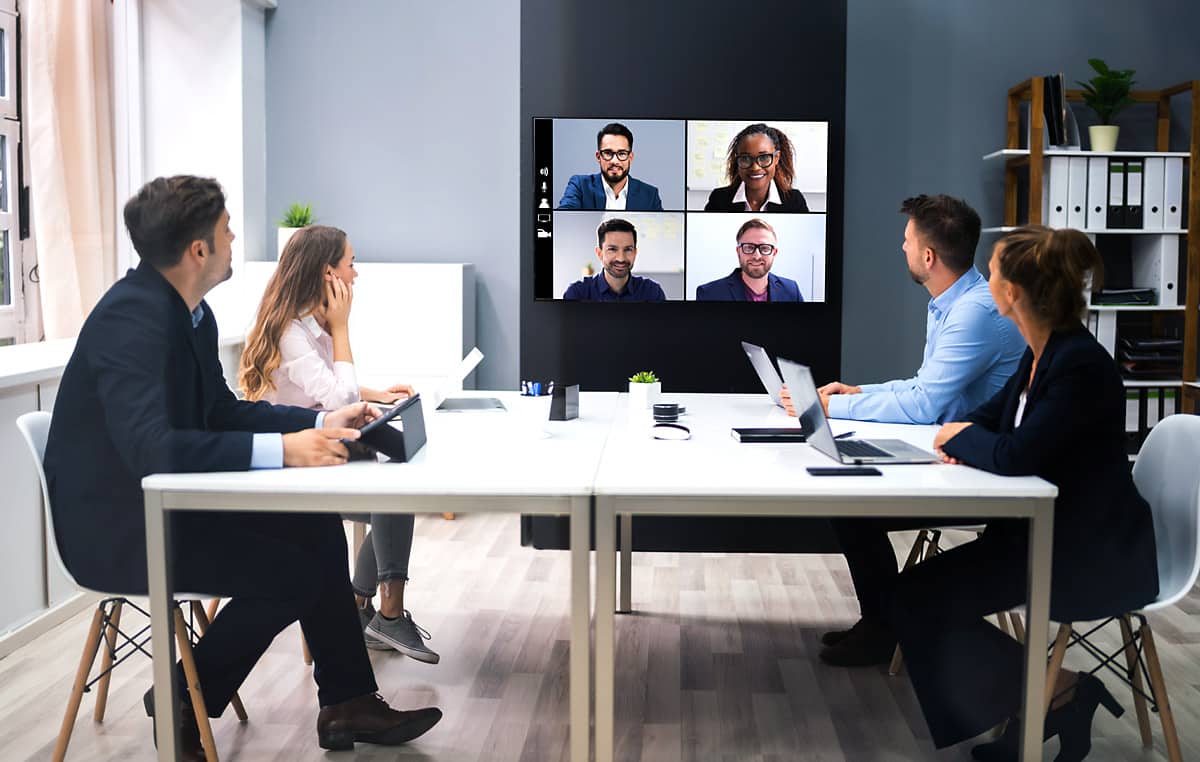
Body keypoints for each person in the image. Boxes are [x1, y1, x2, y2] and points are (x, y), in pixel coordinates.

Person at [43, 176, 441, 760]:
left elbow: (221, 412)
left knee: (315, 527)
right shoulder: (130, 319)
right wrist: (286, 451)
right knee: (293, 573)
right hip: (121, 529)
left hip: (169, 505)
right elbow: (153, 449)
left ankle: (347, 701)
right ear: (198, 249)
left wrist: (317, 424)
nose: (234, 239)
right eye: (227, 230)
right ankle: (185, 695)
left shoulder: (190, 313)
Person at [898, 226, 1159, 760]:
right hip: (1041, 534)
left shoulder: (1078, 365)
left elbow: (1016, 453)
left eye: (992, 271)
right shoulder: (1041, 352)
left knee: (920, 599)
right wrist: (962, 435)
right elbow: (991, 420)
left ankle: (1054, 695)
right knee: (913, 594)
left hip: (1089, 553)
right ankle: (1053, 695)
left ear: (1011, 292)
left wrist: (961, 438)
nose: (986, 279)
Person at [785, 194, 1025, 666]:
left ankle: (882, 629)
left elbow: (924, 404)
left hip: (976, 470)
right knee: (849, 506)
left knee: (854, 511)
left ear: (928, 257)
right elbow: (923, 387)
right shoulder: (951, 303)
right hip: (954, 453)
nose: (902, 247)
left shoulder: (973, 312)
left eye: (908, 240)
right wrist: (857, 392)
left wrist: (831, 406)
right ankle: (880, 623)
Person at [239, 224, 440, 664]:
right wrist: (342, 327)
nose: (356, 273)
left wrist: (377, 393)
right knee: (393, 491)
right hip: (294, 465)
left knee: (398, 484)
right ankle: (386, 614)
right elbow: (338, 399)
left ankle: (363, 606)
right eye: (351, 263)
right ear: (327, 273)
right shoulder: (291, 332)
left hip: (321, 449)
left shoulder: (308, 325)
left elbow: (325, 388)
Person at [557, 122, 664, 211]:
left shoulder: (650, 195)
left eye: (622, 153)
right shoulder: (580, 186)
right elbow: (564, 218)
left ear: (630, 157)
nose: (614, 161)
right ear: (598, 157)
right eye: (608, 153)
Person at [703, 123, 809, 212]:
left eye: (764, 158)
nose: (755, 167)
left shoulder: (794, 201)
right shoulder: (719, 200)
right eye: (745, 158)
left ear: (776, 158)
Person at [695, 218, 803, 301]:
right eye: (749, 247)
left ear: (774, 253)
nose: (756, 256)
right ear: (738, 252)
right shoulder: (709, 294)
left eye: (764, 248)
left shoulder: (791, 290)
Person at [562, 218, 666, 301]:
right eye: (612, 249)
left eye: (628, 249)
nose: (621, 258)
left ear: (635, 253)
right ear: (599, 253)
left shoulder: (652, 292)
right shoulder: (577, 293)